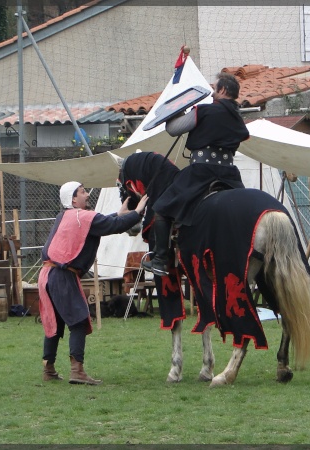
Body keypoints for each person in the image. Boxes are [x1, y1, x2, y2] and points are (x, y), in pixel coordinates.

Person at [38, 181, 148, 384]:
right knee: (79, 321)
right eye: (82, 192)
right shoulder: (81, 217)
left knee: (54, 322)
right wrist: (138, 211)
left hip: (47, 274)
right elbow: (111, 226)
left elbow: (101, 223)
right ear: (73, 199)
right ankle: (77, 371)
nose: (87, 194)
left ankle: (49, 369)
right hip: (62, 276)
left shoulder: (66, 216)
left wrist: (118, 214)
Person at [142, 72, 250, 276]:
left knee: (162, 208)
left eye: (215, 87)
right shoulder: (238, 119)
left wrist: (176, 111)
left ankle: (160, 260)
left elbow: (174, 129)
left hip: (202, 171)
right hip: (230, 174)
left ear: (223, 90)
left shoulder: (206, 111)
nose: (211, 92)